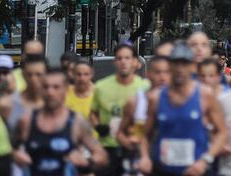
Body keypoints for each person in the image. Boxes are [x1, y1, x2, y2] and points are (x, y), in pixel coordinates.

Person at [138, 42, 229, 175]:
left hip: (196, 170)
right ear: (170, 66)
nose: (180, 69)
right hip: (163, 170)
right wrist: (144, 157)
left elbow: (222, 132)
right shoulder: (156, 98)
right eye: (176, 63)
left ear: (192, 67)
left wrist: (206, 160)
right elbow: (144, 135)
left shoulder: (205, 95)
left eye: (184, 64)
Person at [12, 67, 108, 175]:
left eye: (56, 87)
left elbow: (101, 155)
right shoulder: (27, 120)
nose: (50, 92)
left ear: (66, 89)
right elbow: (7, 149)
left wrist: (87, 162)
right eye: (46, 87)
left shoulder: (76, 121)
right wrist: (15, 155)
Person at [91, 43, 149, 175]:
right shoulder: (101, 87)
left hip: (135, 147)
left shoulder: (145, 87)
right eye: (120, 58)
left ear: (135, 62)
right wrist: (98, 126)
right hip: (108, 147)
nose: (123, 62)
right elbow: (92, 113)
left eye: (127, 58)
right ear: (115, 62)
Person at [64, 59, 94, 124]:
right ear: (73, 75)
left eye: (86, 74)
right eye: (78, 74)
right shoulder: (65, 92)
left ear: (91, 75)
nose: (82, 78)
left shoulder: (98, 94)